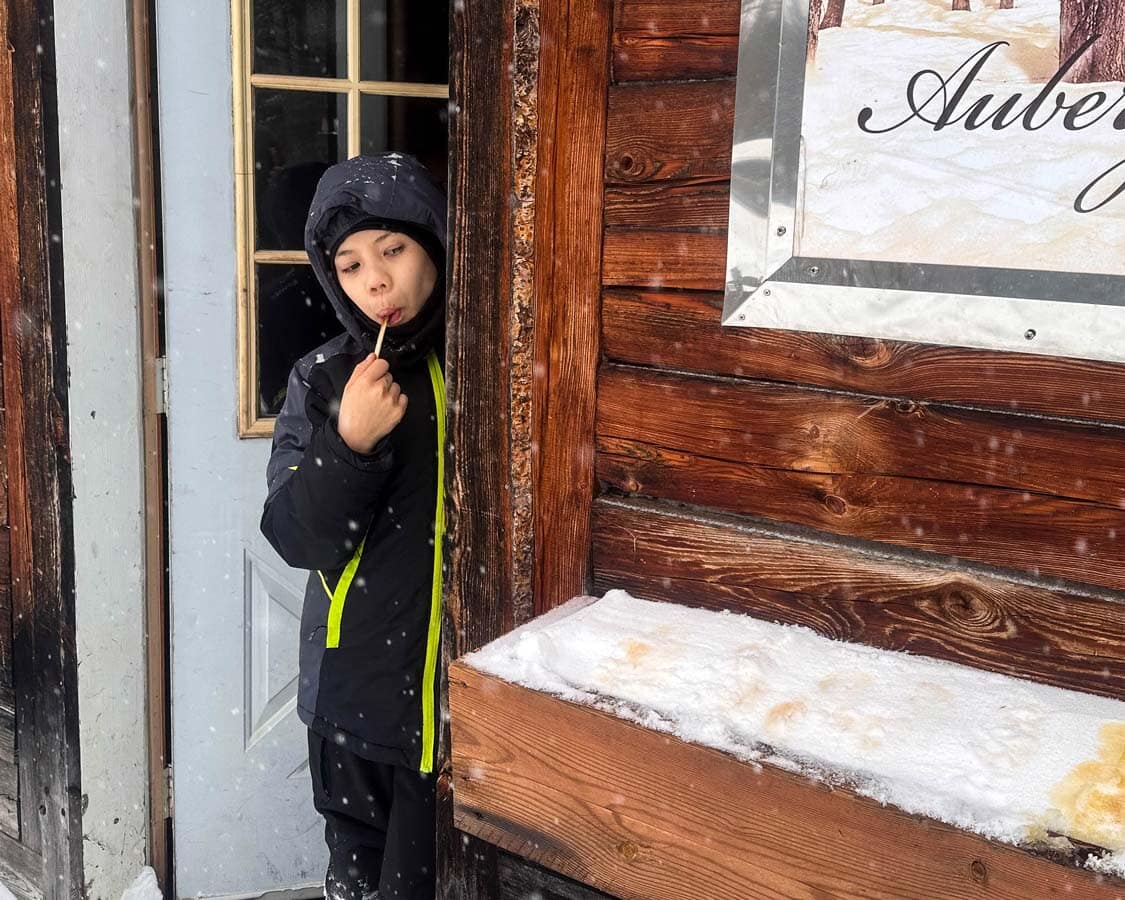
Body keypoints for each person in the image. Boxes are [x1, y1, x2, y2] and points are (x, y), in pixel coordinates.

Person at [260, 151, 447, 900]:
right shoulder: (323, 378)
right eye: (348, 265)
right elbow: (297, 535)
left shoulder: (487, 359)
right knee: (367, 883)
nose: (375, 280)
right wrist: (351, 442)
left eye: (393, 250)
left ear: (432, 241)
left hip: (468, 704)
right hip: (358, 697)